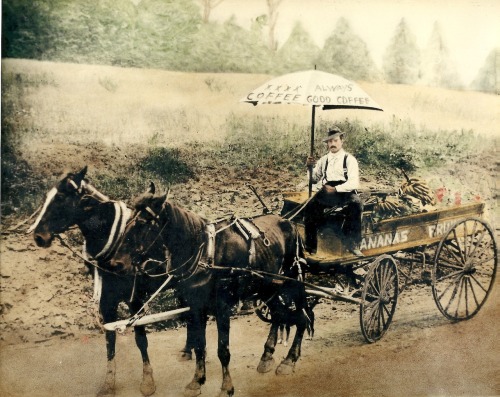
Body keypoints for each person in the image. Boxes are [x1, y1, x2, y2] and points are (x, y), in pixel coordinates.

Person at [304, 126, 364, 257]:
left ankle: (352, 243)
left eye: (335, 140)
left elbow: (354, 182)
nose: (332, 144)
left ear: (341, 141)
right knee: (310, 207)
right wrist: (309, 167)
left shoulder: (349, 159)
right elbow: (314, 179)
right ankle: (311, 246)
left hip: (345, 191)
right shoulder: (324, 160)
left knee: (356, 204)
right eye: (330, 142)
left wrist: (336, 189)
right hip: (327, 191)